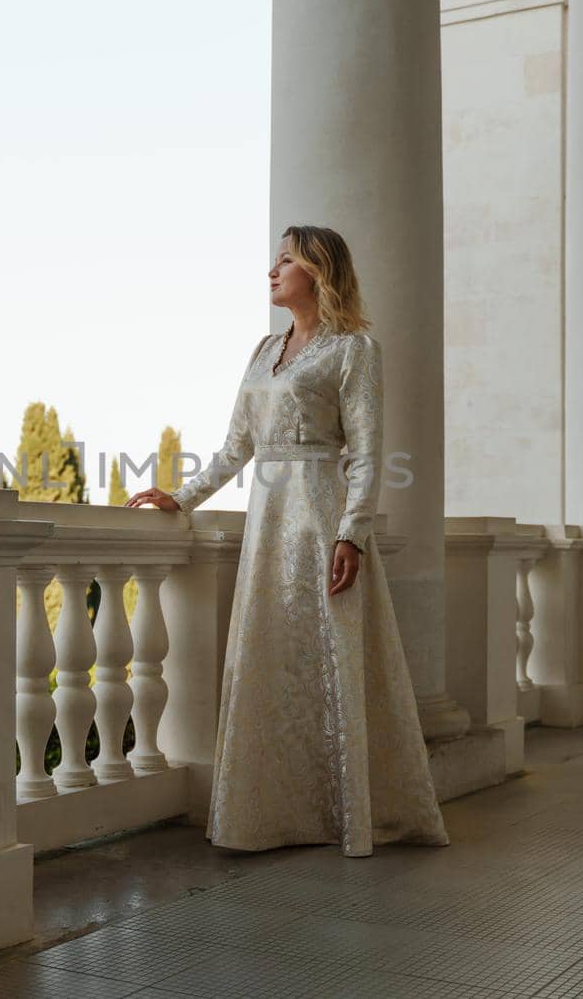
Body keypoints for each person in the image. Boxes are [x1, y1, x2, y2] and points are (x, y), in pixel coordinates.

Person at [125, 225, 449, 858]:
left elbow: (366, 450)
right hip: (268, 521)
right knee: (274, 654)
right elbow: (235, 447)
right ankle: (276, 813)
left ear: (319, 272)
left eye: (286, 261)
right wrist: (182, 497)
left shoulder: (355, 350)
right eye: (274, 262)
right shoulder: (263, 349)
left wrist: (352, 532)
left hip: (323, 514)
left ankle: (348, 813)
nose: (272, 273)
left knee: (332, 655)